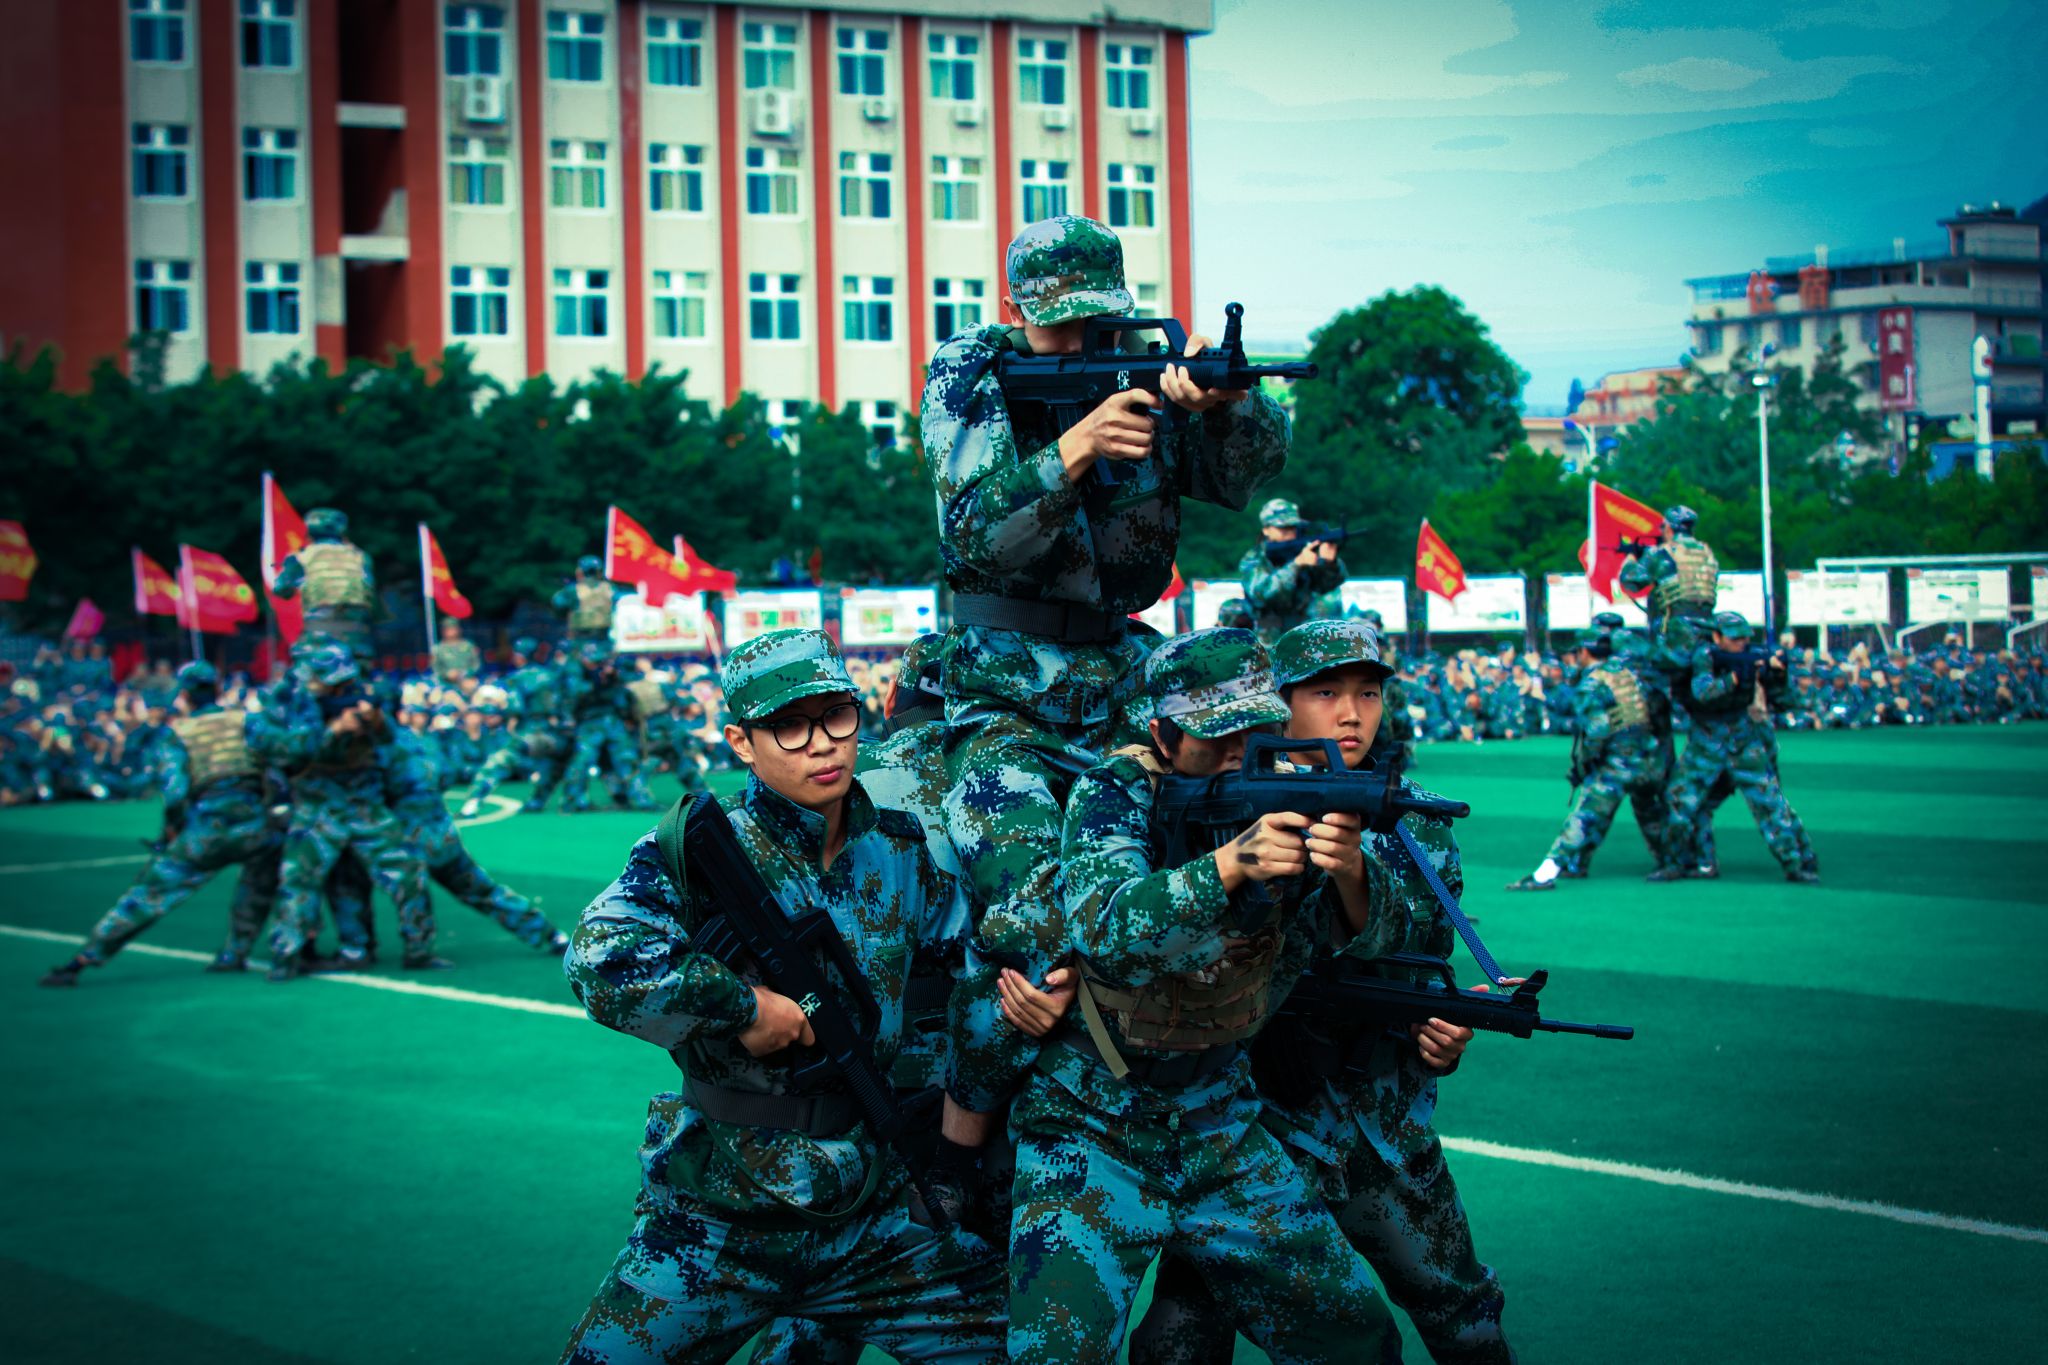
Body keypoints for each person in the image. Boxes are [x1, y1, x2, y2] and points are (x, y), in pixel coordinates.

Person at [920, 214, 1290, 1160]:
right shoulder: (969, 371)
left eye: (1099, 322)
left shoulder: (1146, 368)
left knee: (1210, 847)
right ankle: (960, 1143)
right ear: (1016, 310)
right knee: (1030, 923)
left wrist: (1223, 404)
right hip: (1003, 689)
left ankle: (1203, 1100)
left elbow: (1243, 479)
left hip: (1124, 677)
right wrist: (1075, 447)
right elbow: (975, 532)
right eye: (1062, 325)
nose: (1083, 343)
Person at [558, 629, 1005, 1363]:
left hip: (870, 1209)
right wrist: (742, 1006)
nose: (822, 744)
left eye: (836, 716)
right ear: (741, 741)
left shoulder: (898, 850)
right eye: (789, 726)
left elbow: (963, 975)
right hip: (721, 1218)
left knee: (1026, 1345)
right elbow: (598, 959)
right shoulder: (702, 852)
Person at [994, 628, 1404, 1364]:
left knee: (1356, 1337)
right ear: (1162, 734)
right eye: (1217, 736)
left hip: (1222, 1116)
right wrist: (1230, 864)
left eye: (1255, 730)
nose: (1239, 754)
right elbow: (1106, 927)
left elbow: (1374, 938)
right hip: (1093, 1120)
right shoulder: (1115, 790)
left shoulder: (1293, 784)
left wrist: (1348, 870)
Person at [1134, 617, 1513, 1364]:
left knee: (1461, 1312)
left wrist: (1439, 1029)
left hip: (1379, 1122)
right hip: (1251, 1127)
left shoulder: (1412, 814)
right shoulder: (1212, 806)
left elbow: (1424, 954)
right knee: (1182, 1333)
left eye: (1368, 693)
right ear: (1275, 707)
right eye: (1326, 693)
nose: (1351, 713)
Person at [39, 663, 283, 985]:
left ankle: (84, 959)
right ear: (217, 689)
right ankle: (235, 953)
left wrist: (170, 831)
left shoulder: (177, 733)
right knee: (258, 885)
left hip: (207, 828)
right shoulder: (248, 721)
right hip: (256, 823)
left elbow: (175, 792)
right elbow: (277, 770)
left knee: (150, 894)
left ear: (184, 695)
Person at [251, 642, 438, 979]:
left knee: (409, 873)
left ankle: (419, 949)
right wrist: (333, 732)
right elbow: (283, 751)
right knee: (298, 883)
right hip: (317, 807)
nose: (341, 687)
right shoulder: (285, 704)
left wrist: (375, 722)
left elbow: (390, 743)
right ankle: (285, 957)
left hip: (364, 805)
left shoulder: (359, 696)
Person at [1651, 611, 1818, 885]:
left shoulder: (1754, 656)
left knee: (1770, 804)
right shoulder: (1704, 657)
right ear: (1716, 637)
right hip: (1706, 741)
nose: (1741, 644)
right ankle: (1682, 863)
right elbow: (1703, 692)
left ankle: (1796, 863)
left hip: (1743, 738)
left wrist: (1778, 674)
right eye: (1734, 638)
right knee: (1679, 801)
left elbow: (1785, 702)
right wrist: (1735, 679)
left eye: (1744, 638)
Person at [1506, 630, 1676, 891]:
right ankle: (1671, 862)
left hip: (1617, 763)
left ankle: (1546, 873)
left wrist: (1586, 763)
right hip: (1648, 757)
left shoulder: (1592, 683)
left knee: (1585, 817)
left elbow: (1597, 731)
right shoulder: (1630, 674)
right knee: (1649, 812)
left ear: (1584, 652)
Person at [460, 637, 572, 816]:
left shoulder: (517, 679)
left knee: (498, 763)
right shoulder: (553, 676)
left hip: (532, 732)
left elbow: (515, 708)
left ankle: (472, 803)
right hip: (557, 734)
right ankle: (538, 801)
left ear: (521, 656)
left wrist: (500, 712)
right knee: (553, 767)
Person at [560, 638, 658, 813]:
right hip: (589, 722)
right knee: (582, 761)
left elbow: (624, 693)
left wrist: (612, 677)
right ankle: (573, 802)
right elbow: (573, 695)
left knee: (626, 759)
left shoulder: (612, 674)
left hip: (612, 721)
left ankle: (642, 800)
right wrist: (597, 681)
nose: (599, 665)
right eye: (595, 661)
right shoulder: (575, 672)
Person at [271, 507, 379, 659]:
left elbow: (281, 589)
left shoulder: (302, 557)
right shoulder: (360, 556)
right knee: (361, 659)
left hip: (320, 626)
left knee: (305, 662)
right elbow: (369, 589)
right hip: (358, 628)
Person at [1238, 498, 1345, 640]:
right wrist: (1296, 565)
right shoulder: (1254, 559)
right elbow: (1262, 594)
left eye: (1292, 528)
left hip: (1304, 635)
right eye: (1282, 528)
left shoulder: (1303, 551)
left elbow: (1325, 586)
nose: (1288, 533)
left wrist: (1329, 564)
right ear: (1266, 530)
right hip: (1268, 639)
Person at [553, 555, 626, 641]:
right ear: (599, 572)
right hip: (605, 638)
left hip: (580, 639)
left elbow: (558, 603)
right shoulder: (610, 588)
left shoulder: (573, 590)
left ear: (580, 571)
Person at [432, 619, 481, 684]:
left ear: (459, 630)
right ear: (443, 631)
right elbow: (435, 668)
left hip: (467, 680)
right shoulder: (437, 649)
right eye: (447, 629)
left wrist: (464, 673)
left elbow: (477, 665)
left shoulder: (469, 646)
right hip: (445, 683)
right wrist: (447, 674)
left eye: (453, 628)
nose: (451, 631)